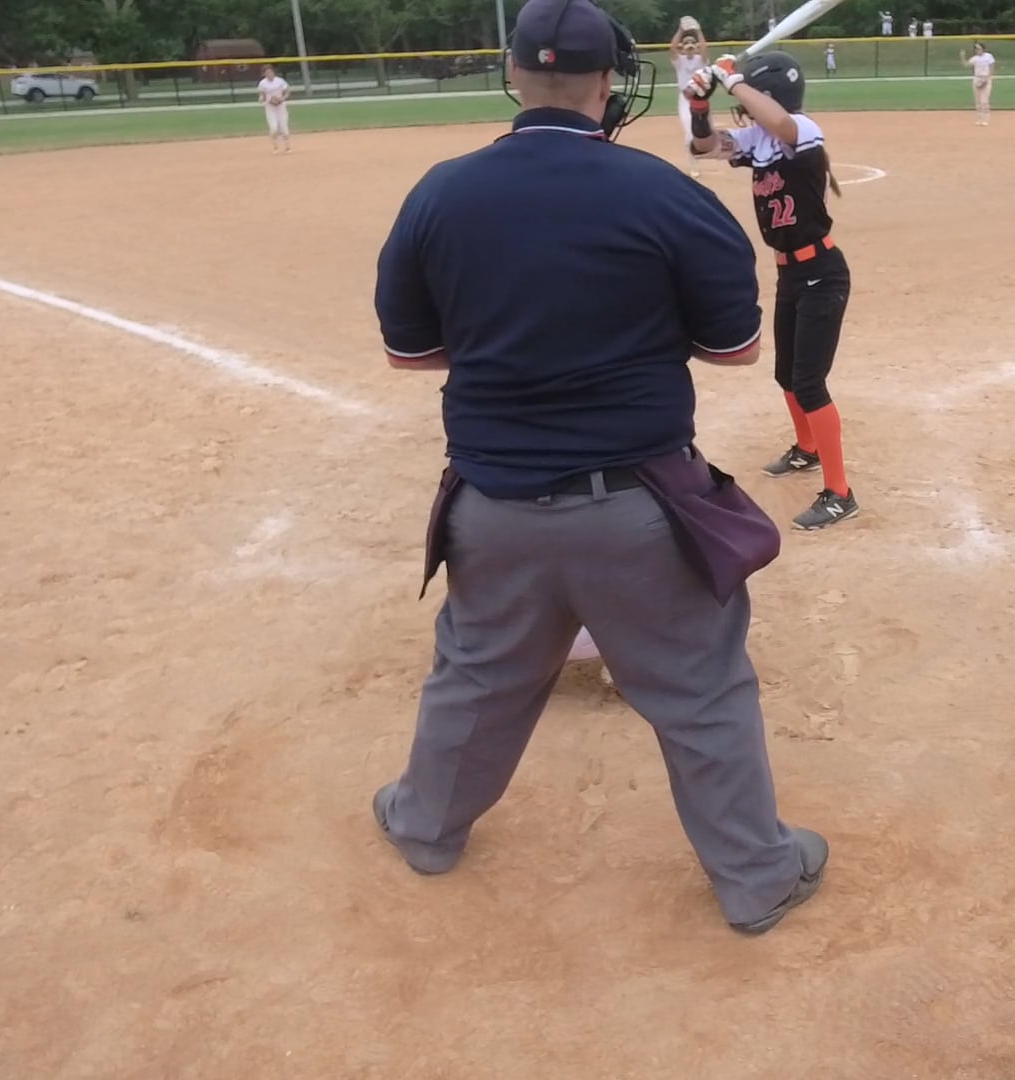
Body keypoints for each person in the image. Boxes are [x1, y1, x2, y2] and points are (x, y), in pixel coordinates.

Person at [371, 0, 828, 935]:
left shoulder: (440, 193)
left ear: (512, 73)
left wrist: (517, 341)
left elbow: (410, 353)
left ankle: (425, 826)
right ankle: (755, 878)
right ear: (612, 80)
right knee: (700, 690)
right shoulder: (662, 194)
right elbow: (735, 347)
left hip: (491, 501)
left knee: (477, 673)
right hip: (638, 506)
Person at [689, 52, 860, 531]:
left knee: (809, 382)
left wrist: (731, 80)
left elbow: (782, 123)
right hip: (790, 274)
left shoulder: (800, 128)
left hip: (822, 272)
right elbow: (705, 146)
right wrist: (699, 105)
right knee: (786, 375)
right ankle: (807, 448)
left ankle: (840, 494)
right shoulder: (758, 140)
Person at [670, 17, 712, 176]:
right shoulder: (679, 61)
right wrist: (681, 30)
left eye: (692, 43)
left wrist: (698, 31)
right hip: (685, 101)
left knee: (705, 131)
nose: (689, 45)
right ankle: (694, 164)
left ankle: (706, 152)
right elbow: (673, 47)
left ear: (696, 47)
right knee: (689, 133)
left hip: (701, 99)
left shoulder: (701, 60)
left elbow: (704, 47)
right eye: (686, 43)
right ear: (683, 47)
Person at [256, 64, 291, 153]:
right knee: (274, 128)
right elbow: (262, 95)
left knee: (284, 128)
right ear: (264, 74)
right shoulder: (262, 83)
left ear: (274, 72)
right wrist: (261, 98)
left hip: (281, 106)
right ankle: (276, 147)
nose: (269, 74)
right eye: (267, 73)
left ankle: (287, 147)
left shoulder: (280, 81)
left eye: (271, 72)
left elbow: (287, 92)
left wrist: (283, 98)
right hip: (270, 107)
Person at [963, 42, 995, 125]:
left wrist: (987, 79)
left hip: (986, 78)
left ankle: (986, 119)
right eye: (976, 49)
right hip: (977, 78)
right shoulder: (975, 58)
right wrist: (962, 56)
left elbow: (991, 68)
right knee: (978, 100)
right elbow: (966, 64)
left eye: (978, 48)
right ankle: (979, 119)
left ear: (983, 49)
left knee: (984, 100)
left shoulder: (988, 56)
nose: (977, 50)